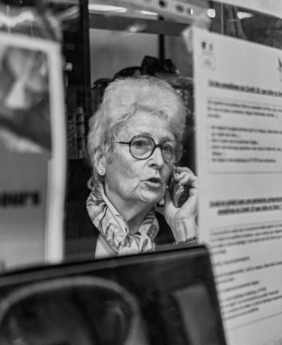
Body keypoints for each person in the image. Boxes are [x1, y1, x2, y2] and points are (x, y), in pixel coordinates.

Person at [65, 75, 197, 258]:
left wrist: (184, 227)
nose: (158, 161)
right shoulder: (62, 226)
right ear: (102, 158)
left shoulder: (171, 234)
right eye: (140, 144)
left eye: (167, 148)